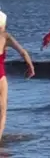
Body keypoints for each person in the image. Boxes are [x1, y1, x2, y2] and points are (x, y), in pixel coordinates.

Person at [0, 10, 35, 142]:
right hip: (0, 76)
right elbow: (23, 52)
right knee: (2, 109)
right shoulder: (5, 36)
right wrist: (30, 67)